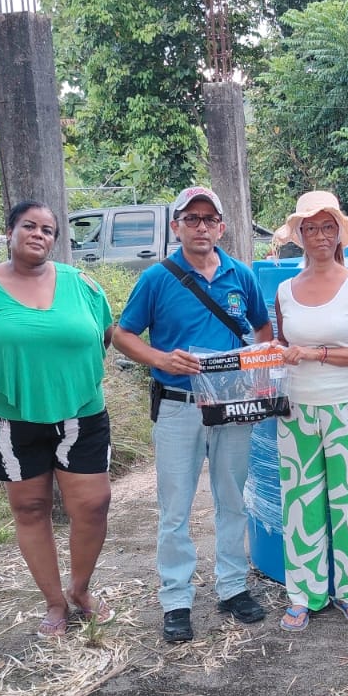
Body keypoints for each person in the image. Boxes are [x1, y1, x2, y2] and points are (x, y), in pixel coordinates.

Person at [0, 200, 115, 640]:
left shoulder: (82, 286)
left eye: (47, 230)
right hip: (11, 422)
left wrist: (67, 378)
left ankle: (80, 590)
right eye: (29, 226)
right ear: (10, 232)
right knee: (31, 508)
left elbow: (104, 337)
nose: (39, 234)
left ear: (55, 239)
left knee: (93, 505)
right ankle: (54, 603)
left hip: (81, 415)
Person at [113, 186, 274, 644]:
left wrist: (253, 366)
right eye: (191, 219)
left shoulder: (240, 275)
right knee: (175, 507)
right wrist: (160, 359)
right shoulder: (157, 278)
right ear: (176, 226)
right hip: (177, 406)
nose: (201, 227)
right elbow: (123, 334)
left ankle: (232, 586)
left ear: (221, 227)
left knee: (232, 498)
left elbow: (262, 328)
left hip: (230, 407)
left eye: (209, 219)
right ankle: (176, 599)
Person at [271, 191, 348, 630]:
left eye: (327, 227)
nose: (319, 235)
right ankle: (303, 594)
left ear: (340, 233)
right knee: (300, 503)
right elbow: (284, 346)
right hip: (296, 409)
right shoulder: (284, 290)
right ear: (298, 235)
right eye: (310, 228)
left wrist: (317, 353)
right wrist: (279, 353)